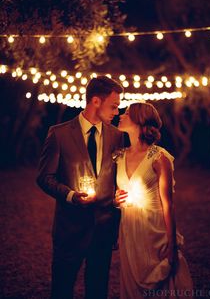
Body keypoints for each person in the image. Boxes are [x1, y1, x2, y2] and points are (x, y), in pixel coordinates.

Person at [37, 76, 124, 299]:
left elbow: (117, 177)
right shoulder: (59, 134)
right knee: (62, 290)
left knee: (97, 290)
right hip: (69, 228)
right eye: (114, 106)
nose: (117, 111)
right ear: (96, 101)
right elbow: (45, 177)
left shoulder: (116, 136)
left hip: (103, 229)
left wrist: (119, 195)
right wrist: (70, 195)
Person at [115, 102, 193, 299]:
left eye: (126, 113)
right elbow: (115, 192)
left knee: (161, 287)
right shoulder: (118, 156)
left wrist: (172, 244)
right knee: (132, 282)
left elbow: (168, 203)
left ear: (139, 120)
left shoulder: (159, 158)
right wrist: (115, 199)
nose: (120, 115)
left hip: (154, 229)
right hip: (129, 228)